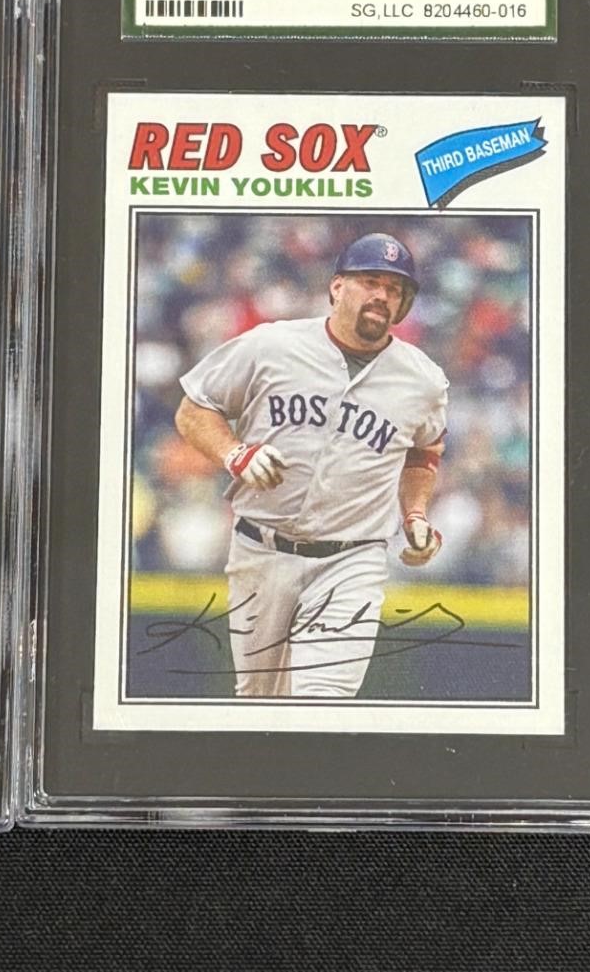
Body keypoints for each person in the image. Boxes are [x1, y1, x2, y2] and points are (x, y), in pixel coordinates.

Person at [170, 232, 448, 698]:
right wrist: (235, 453)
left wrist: (415, 513)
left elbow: (424, 450)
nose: (382, 295)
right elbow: (193, 409)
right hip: (260, 548)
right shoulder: (272, 345)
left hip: (352, 558)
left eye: (395, 289)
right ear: (337, 287)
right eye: (371, 282)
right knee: (261, 704)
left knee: (322, 702)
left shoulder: (424, 380)